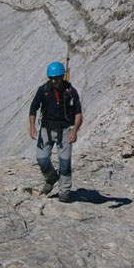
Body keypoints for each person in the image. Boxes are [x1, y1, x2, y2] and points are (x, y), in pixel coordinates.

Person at [29, 61, 83, 203]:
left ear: (62, 76)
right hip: (46, 129)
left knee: (64, 163)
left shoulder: (70, 91)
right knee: (42, 159)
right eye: (51, 78)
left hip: (64, 130)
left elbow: (78, 113)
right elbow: (33, 108)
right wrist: (32, 127)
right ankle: (51, 177)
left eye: (57, 77)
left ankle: (64, 191)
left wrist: (75, 131)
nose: (54, 81)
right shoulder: (44, 90)